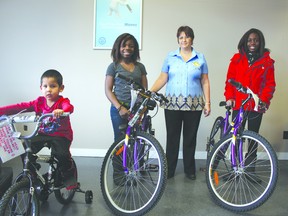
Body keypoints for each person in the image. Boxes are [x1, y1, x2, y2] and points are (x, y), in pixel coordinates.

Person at [150, 26, 211, 180]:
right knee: (172, 137)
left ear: (192, 39)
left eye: (187, 37)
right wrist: (150, 92)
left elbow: (205, 81)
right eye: (181, 37)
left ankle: (189, 170)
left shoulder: (200, 58)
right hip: (172, 104)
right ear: (178, 39)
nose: (184, 40)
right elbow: (163, 78)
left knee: (190, 138)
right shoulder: (170, 57)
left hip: (194, 104)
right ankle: (169, 169)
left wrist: (208, 102)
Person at [0, 69, 76, 187]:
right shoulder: (39, 102)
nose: (48, 89)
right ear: (41, 88)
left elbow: (69, 107)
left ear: (61, 88)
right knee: (25, 148)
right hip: (43, 134)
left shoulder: (62, 102)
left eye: (53, 86)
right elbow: (20, 107)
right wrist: (2, 111)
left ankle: (69, 177)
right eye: (45, 86)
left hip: (61, 135)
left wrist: (62, 111)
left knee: (62, 155)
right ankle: (33, 172)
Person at [224, 28, 276, 179]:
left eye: (256, 40)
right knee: (235, 137)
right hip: (238, 104)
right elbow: (230, 80)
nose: (252, 43)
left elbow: (269, 85)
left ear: (260, 43)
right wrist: (229, 97)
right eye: (250, 40)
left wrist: (264, 101)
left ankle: (250, 171)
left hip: (255, 105)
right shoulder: (236, 59)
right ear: (245, 42)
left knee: (253, 139)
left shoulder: (267, 62)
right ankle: (234, 169)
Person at [105, 33, 148, 141]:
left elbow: (144, 91)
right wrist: (120, 108)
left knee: (137, 141)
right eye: (124, 45)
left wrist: (141, 111)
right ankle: (118, 159)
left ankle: (136, 159)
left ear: (135, 49)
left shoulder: (140, 67)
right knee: (120, 141)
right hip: (118, 110)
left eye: (131, 46)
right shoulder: (113, 66)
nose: (127, 48)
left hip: (136, 110)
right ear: (118, 47)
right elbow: (108, 90)